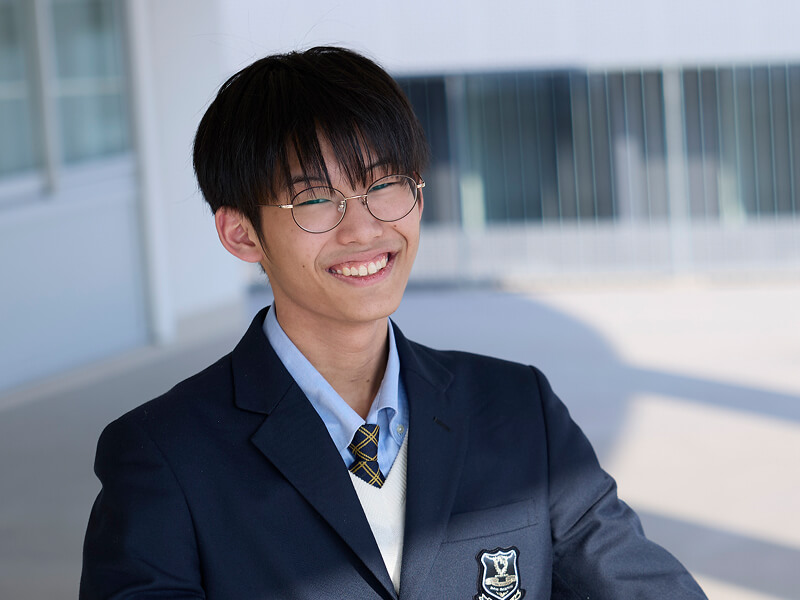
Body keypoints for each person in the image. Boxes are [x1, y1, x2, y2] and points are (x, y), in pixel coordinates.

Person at [80, 46, 707, 599]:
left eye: (384, 184)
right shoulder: (164, 455)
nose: (364, 228)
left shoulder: (520, 410)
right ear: (242, 234)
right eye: (315, 198)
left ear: (419, 196)